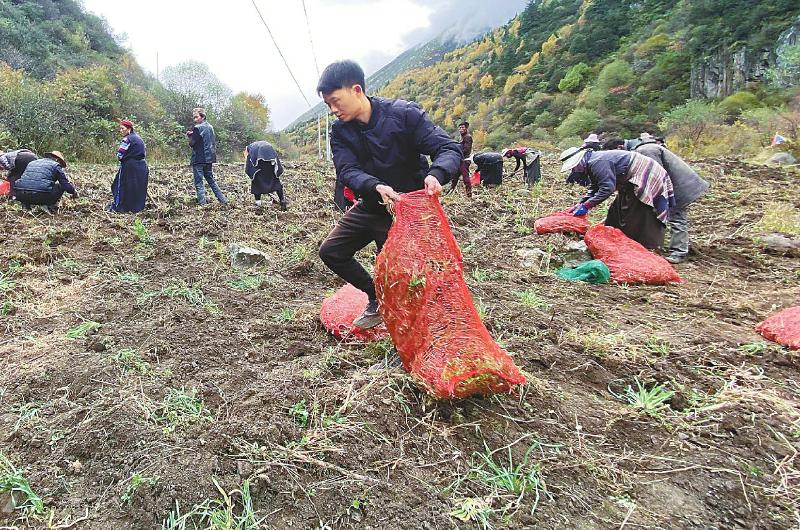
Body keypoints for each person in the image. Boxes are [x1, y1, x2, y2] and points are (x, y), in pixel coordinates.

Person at [316, 60, 461, 329]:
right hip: (372, 204)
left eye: (335, 101)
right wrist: (375, 186)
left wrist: (437, 174)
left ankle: (404, 340)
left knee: (398, 276)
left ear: (356, 89)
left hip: (407, 212)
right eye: (328, 105)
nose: (333, 110)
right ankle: (376, 297)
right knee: (332, 251)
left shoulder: (404, 115)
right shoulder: (340, 130)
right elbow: (347, 169)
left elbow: (449, 149)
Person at [560, 147, 674, 249]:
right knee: (616, 212)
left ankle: (645, 246)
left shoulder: (597, 162)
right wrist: (580, 203)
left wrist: (587, 205)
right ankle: (617, 240)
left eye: (574, 167)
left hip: (646, 176)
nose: (574, 171)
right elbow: (595, 186)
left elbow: (607, 188)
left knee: (638, 212)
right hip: (629, 181)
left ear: (579, 161)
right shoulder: (591, 162)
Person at [634, 133, 709, 263]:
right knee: (668, 214)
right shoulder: (648, 148)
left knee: (676, 216)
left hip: (681, 187)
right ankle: (667, 245)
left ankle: (679, 252)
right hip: (679, 184)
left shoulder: (646, 150)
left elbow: (656, 175)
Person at [13, 151, 77, 213]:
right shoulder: (56, 165)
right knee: (60, 186)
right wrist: (74, 192)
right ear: (57, 160)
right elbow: (65, 185)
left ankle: (26, 206)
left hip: (20, 194)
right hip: (40, 196)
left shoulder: (32, 162)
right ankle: (49, 206)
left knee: (29, 184)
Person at [187, 107, 227, 205]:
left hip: (199, 159)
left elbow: (192, 143)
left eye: (196, 117)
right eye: (194, 118)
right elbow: (207, 140)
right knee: (211, 180)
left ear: (203, 117)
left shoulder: (197, 128)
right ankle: (223, 201)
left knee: (199, 183)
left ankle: (203, 204)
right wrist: (194, 135)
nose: (195, 120)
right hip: (209, 159)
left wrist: (190, 136)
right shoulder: (210, 127)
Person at [109, 119, 149, 213]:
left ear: (129, 129)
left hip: (129, 166)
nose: (121, 130)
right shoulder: (139, 138)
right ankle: (136, 209)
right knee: (137, 188)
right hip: (142, 166)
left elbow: (120, 155)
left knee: (119, 186)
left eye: (123, 128)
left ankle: (119, 208)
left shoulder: (127, 139)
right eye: (120, 128)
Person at [245, 140, 287, 211]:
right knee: (276, 181)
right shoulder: (264, 145)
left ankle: (258, 204)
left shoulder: (249, 148)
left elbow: (249, 162)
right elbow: (276, 160)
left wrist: (250, 171)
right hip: (270, 165)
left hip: (259, 167)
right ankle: (282, 200)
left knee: (256, 183)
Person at [449, 121, 473, 197]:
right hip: (460, 160)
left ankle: (469, 194)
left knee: (465, 177)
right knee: (455, 177)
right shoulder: (463, 137)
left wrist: (457, 152)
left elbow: (466, 149)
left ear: (466, 128)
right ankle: (450, 191)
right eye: (460, 128)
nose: (461, 129)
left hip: (464, 160)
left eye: (463, 127)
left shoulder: (467, 137)